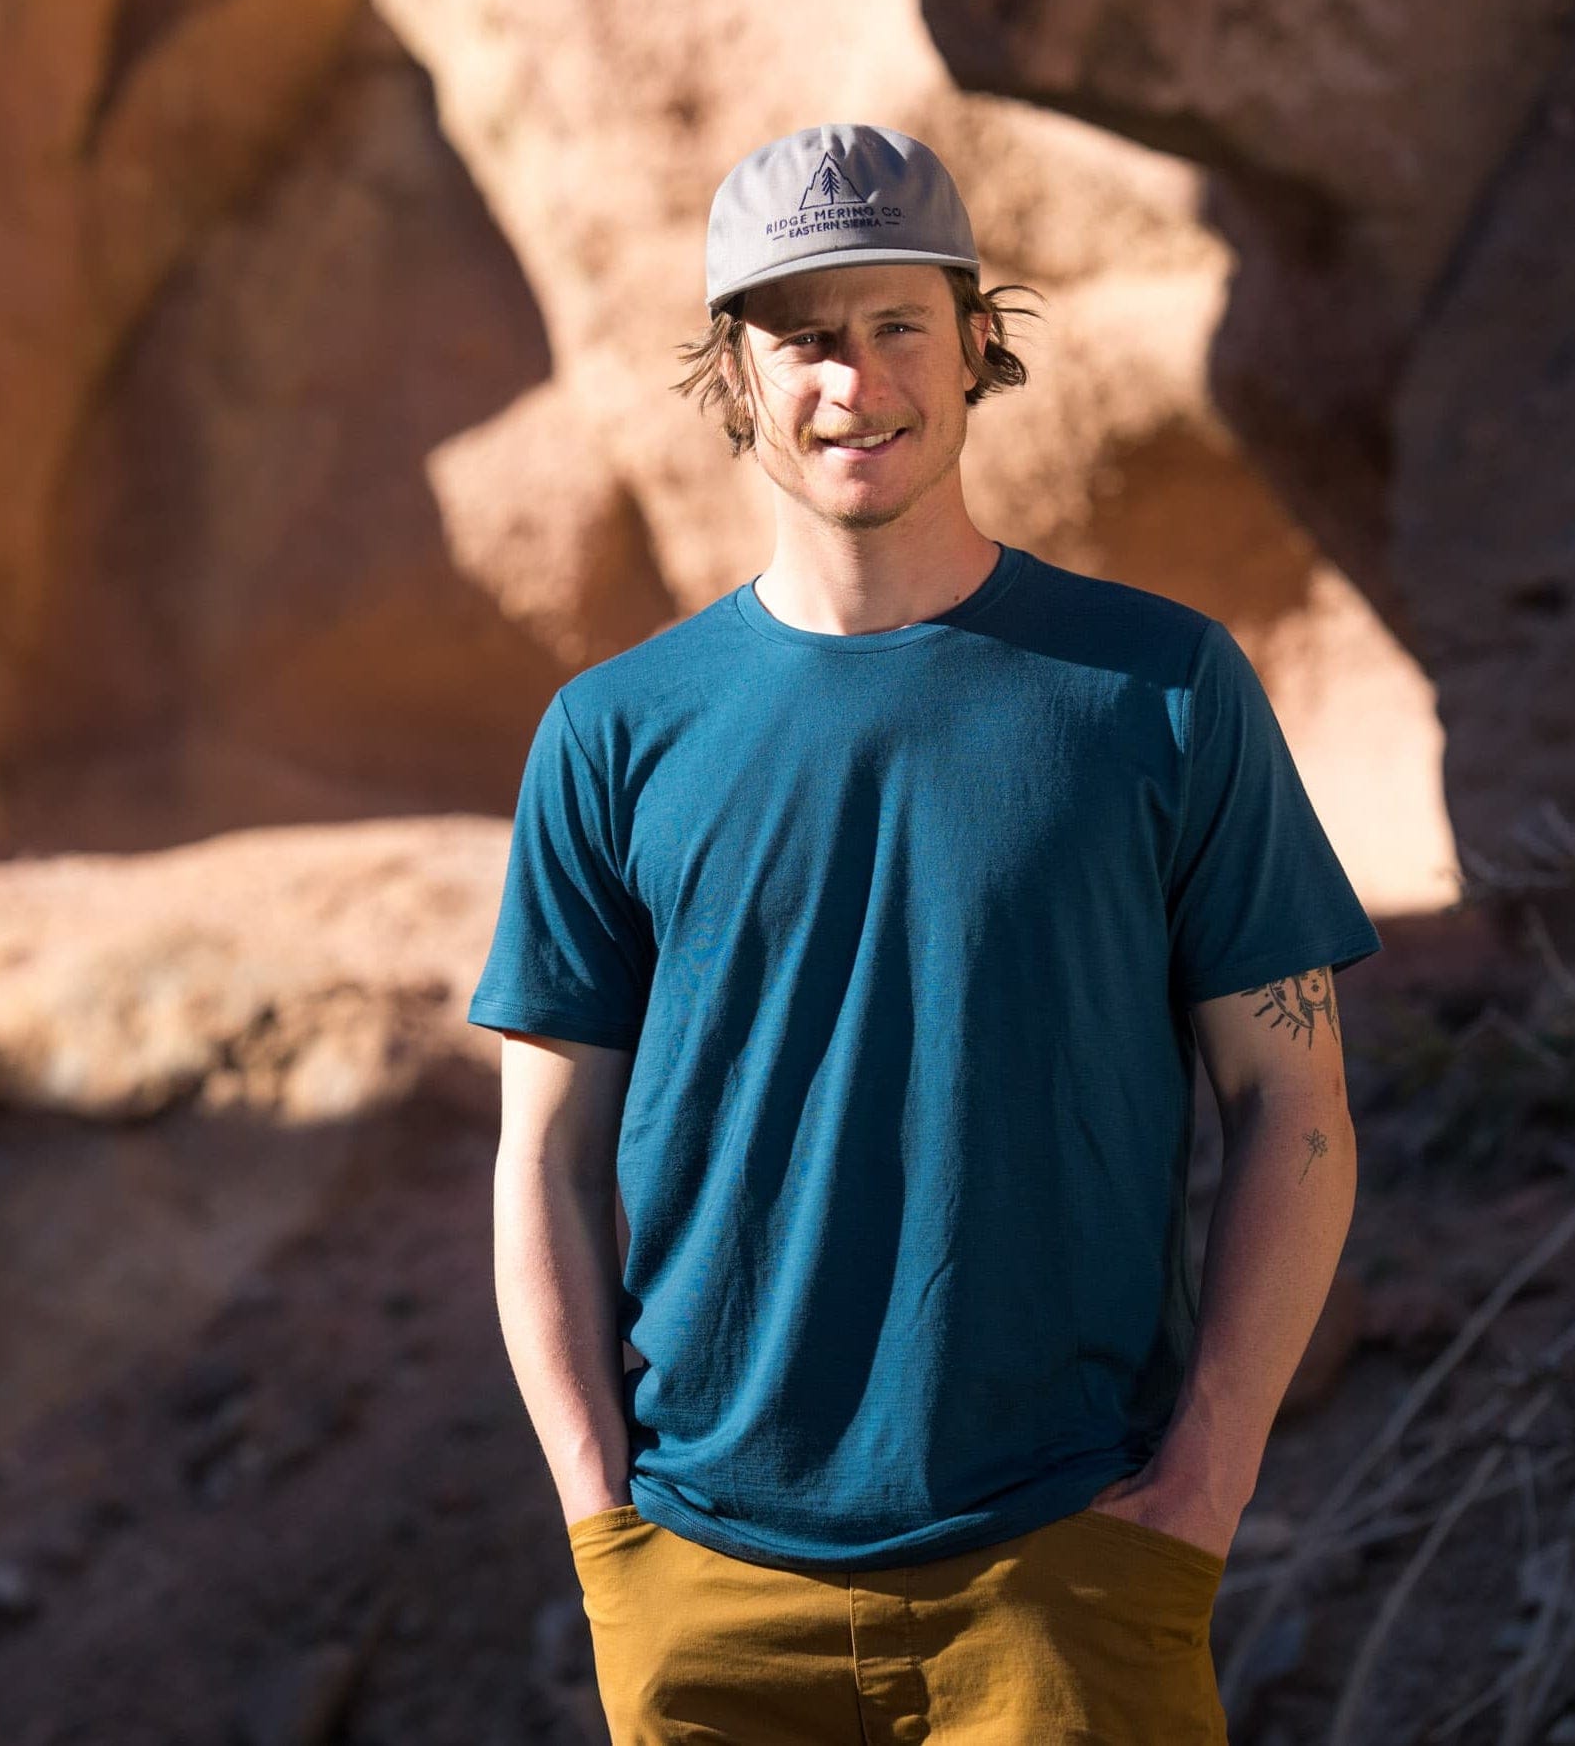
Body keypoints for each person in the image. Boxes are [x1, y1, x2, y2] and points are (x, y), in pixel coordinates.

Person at [468, 123, 1381, 1744]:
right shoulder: (614, 734)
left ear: (977, 344)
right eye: (805, 337)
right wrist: (607, 1530)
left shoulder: (1161, 691)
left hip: (1066, 1575)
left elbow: (1294, 1104)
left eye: (899, 325)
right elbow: (545, 1157)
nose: (856, 381)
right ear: (734, 377)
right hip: (706, 1595)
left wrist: (1205, 1485)